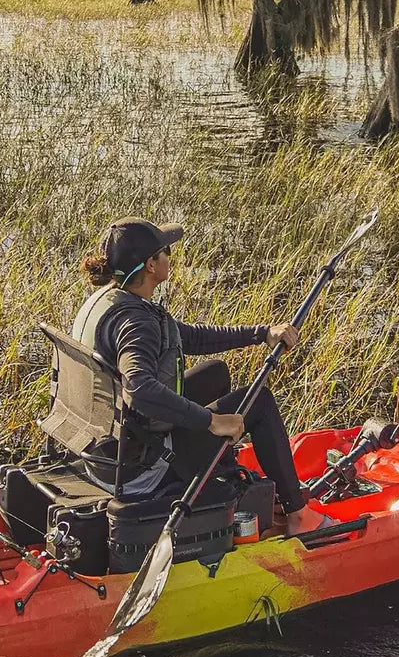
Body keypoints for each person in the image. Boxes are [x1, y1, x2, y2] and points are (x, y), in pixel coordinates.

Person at [72, 216, 331, 537]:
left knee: (216, 373)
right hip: (141, 467)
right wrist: (210, 421)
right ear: (151, 265)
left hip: (111, 449)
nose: (170, 256)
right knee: (259, 401)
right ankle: (298, 516)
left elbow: (189, 337)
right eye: (165, 251)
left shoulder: (110, 301)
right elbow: (138, 388)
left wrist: (263, 333)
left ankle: (214, 472)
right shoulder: (137, 323)